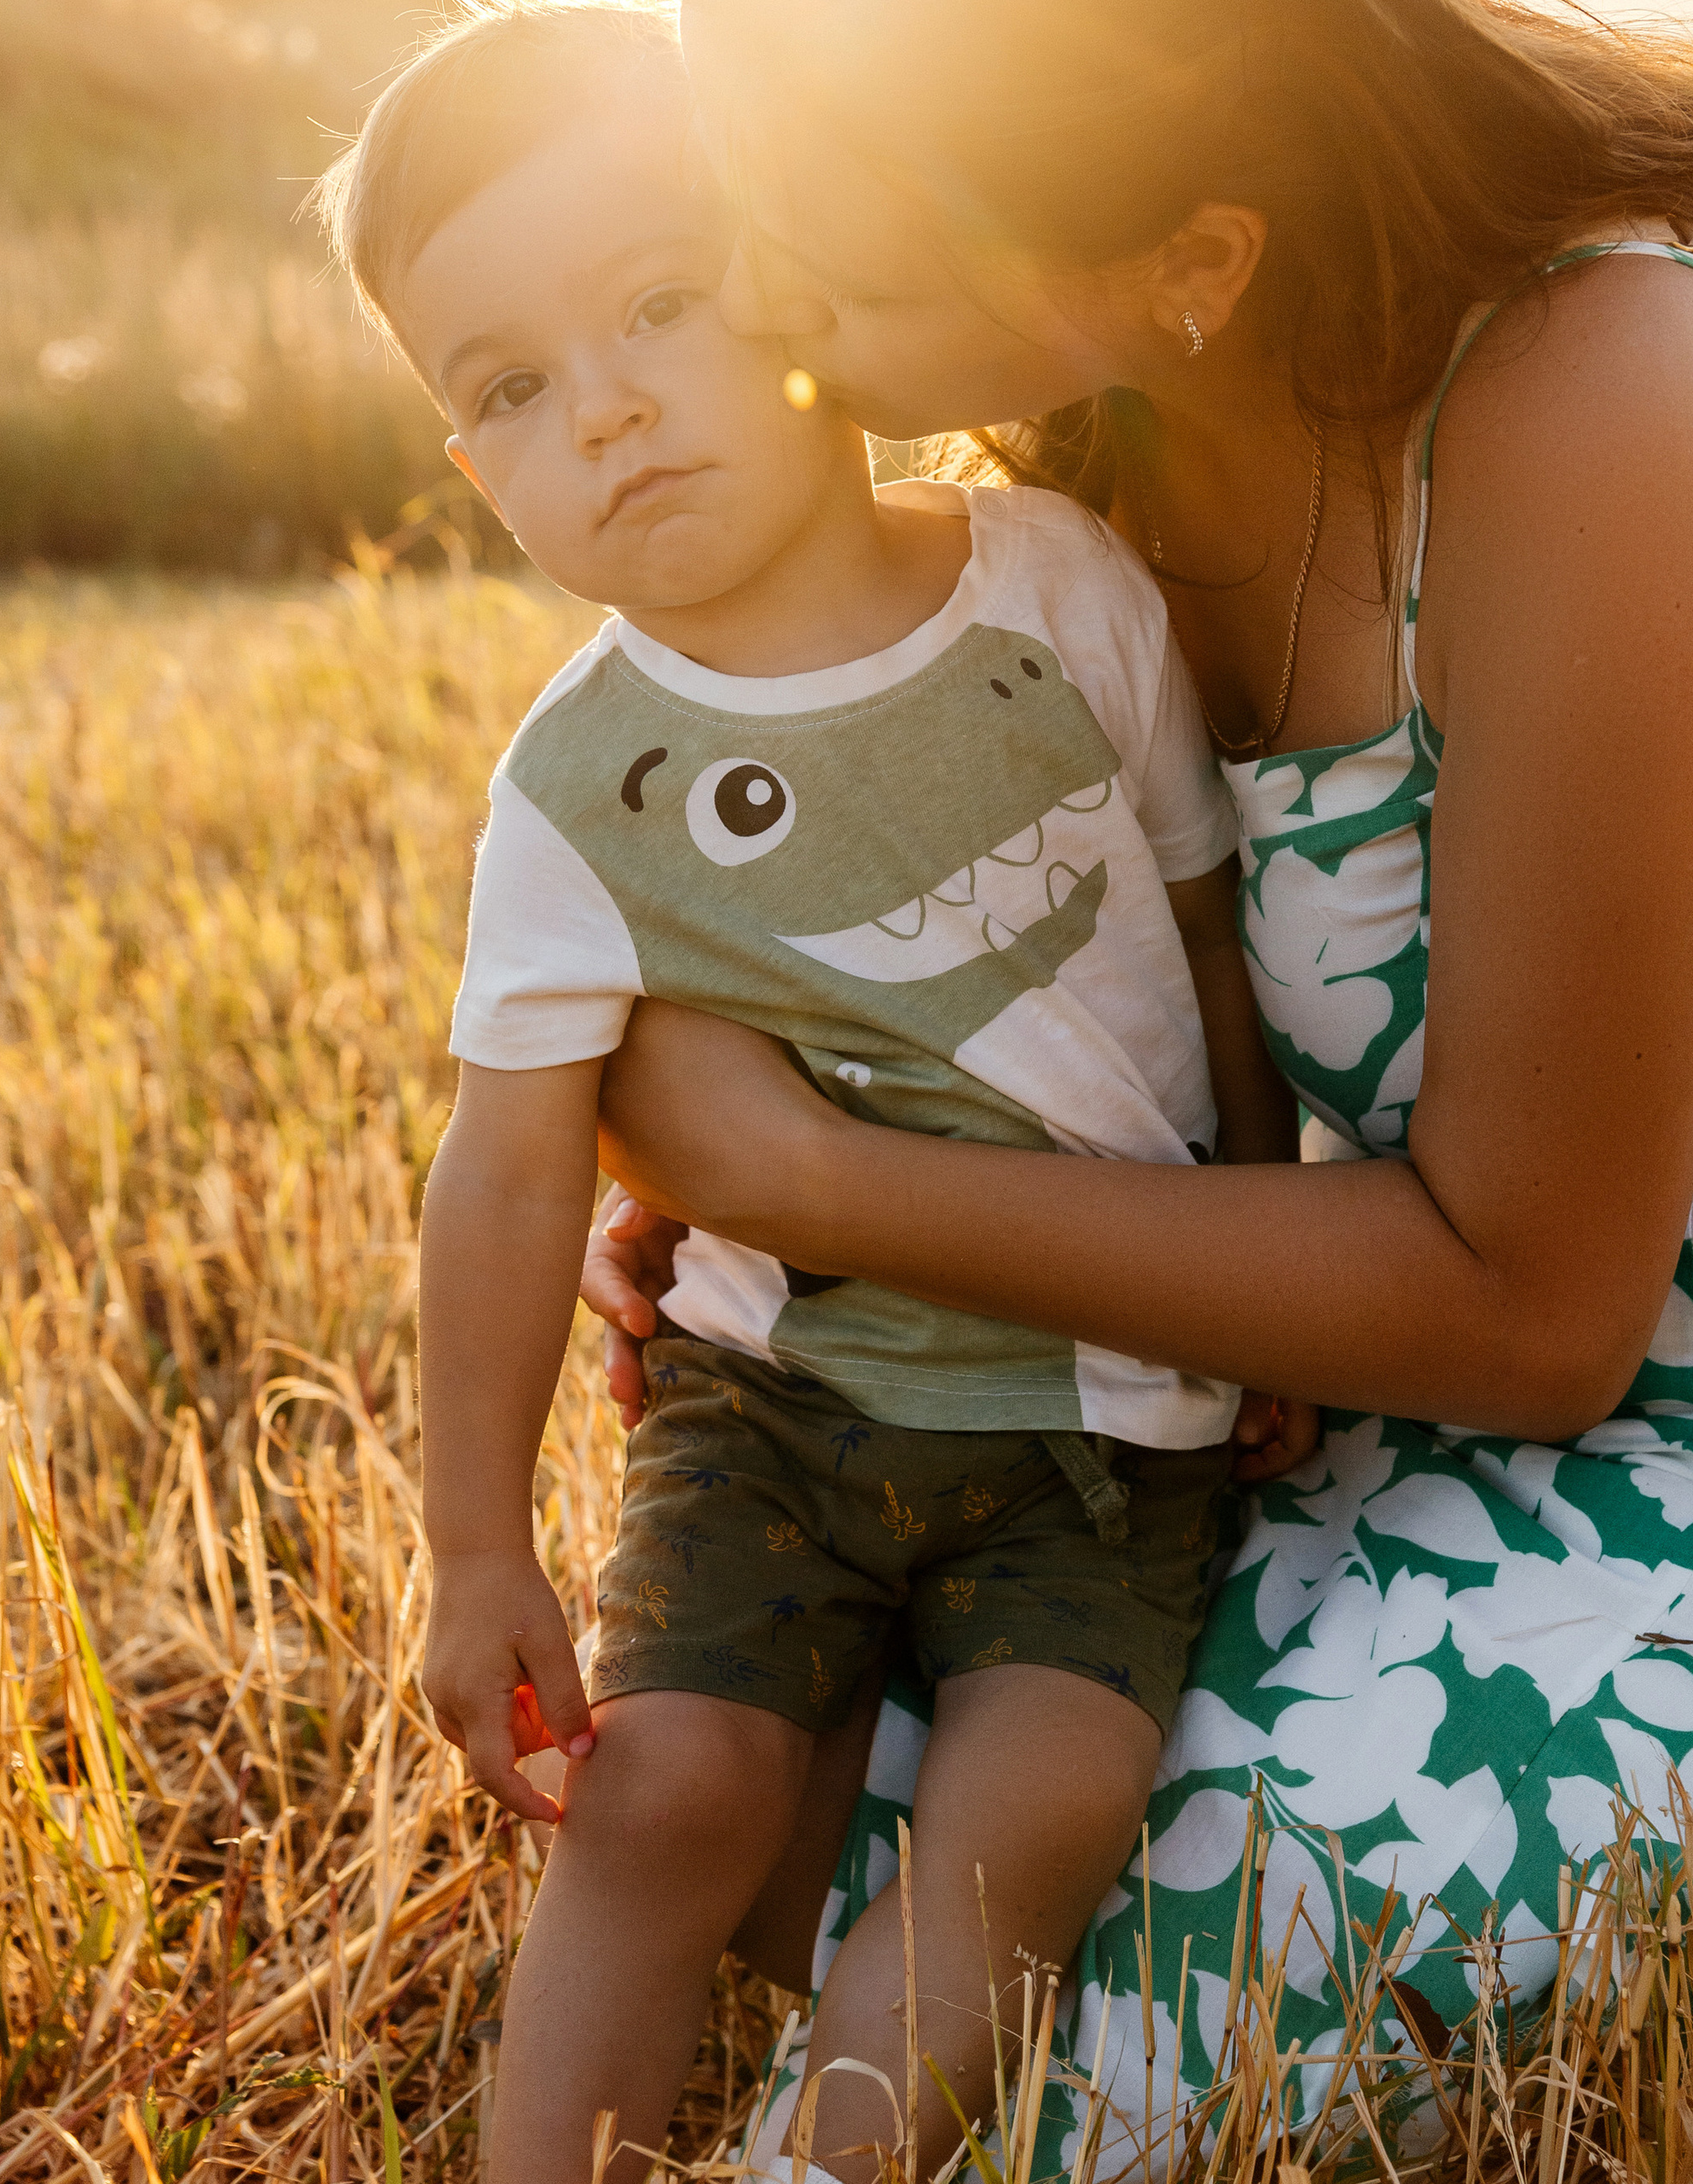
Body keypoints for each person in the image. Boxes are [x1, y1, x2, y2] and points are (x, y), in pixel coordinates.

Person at [577, 0, 1693, 2165]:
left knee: (1178, 1942)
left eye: (848, 268)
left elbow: (1537, 1311)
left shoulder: (1613, 389)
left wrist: (824, 1180)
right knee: (758, 1741)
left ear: (1192, 253)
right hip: (1456, 1381)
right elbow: (1140, 1003)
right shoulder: (1112, 437)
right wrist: (803, 1191)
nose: (760, 304)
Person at [314, 7, 1314, 2179]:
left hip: (1100, 1411)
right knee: (667, 1787)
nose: (604, 406)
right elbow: (506, 1172)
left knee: (1040, 1809)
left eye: (655, 302)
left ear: (790, 273)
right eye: (511, 386)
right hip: (774, 1399)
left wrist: (1264, 1261)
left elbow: (1203, 935)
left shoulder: (1055, 585)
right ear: (472, 472)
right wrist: (472, 1544)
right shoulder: (573, 785)